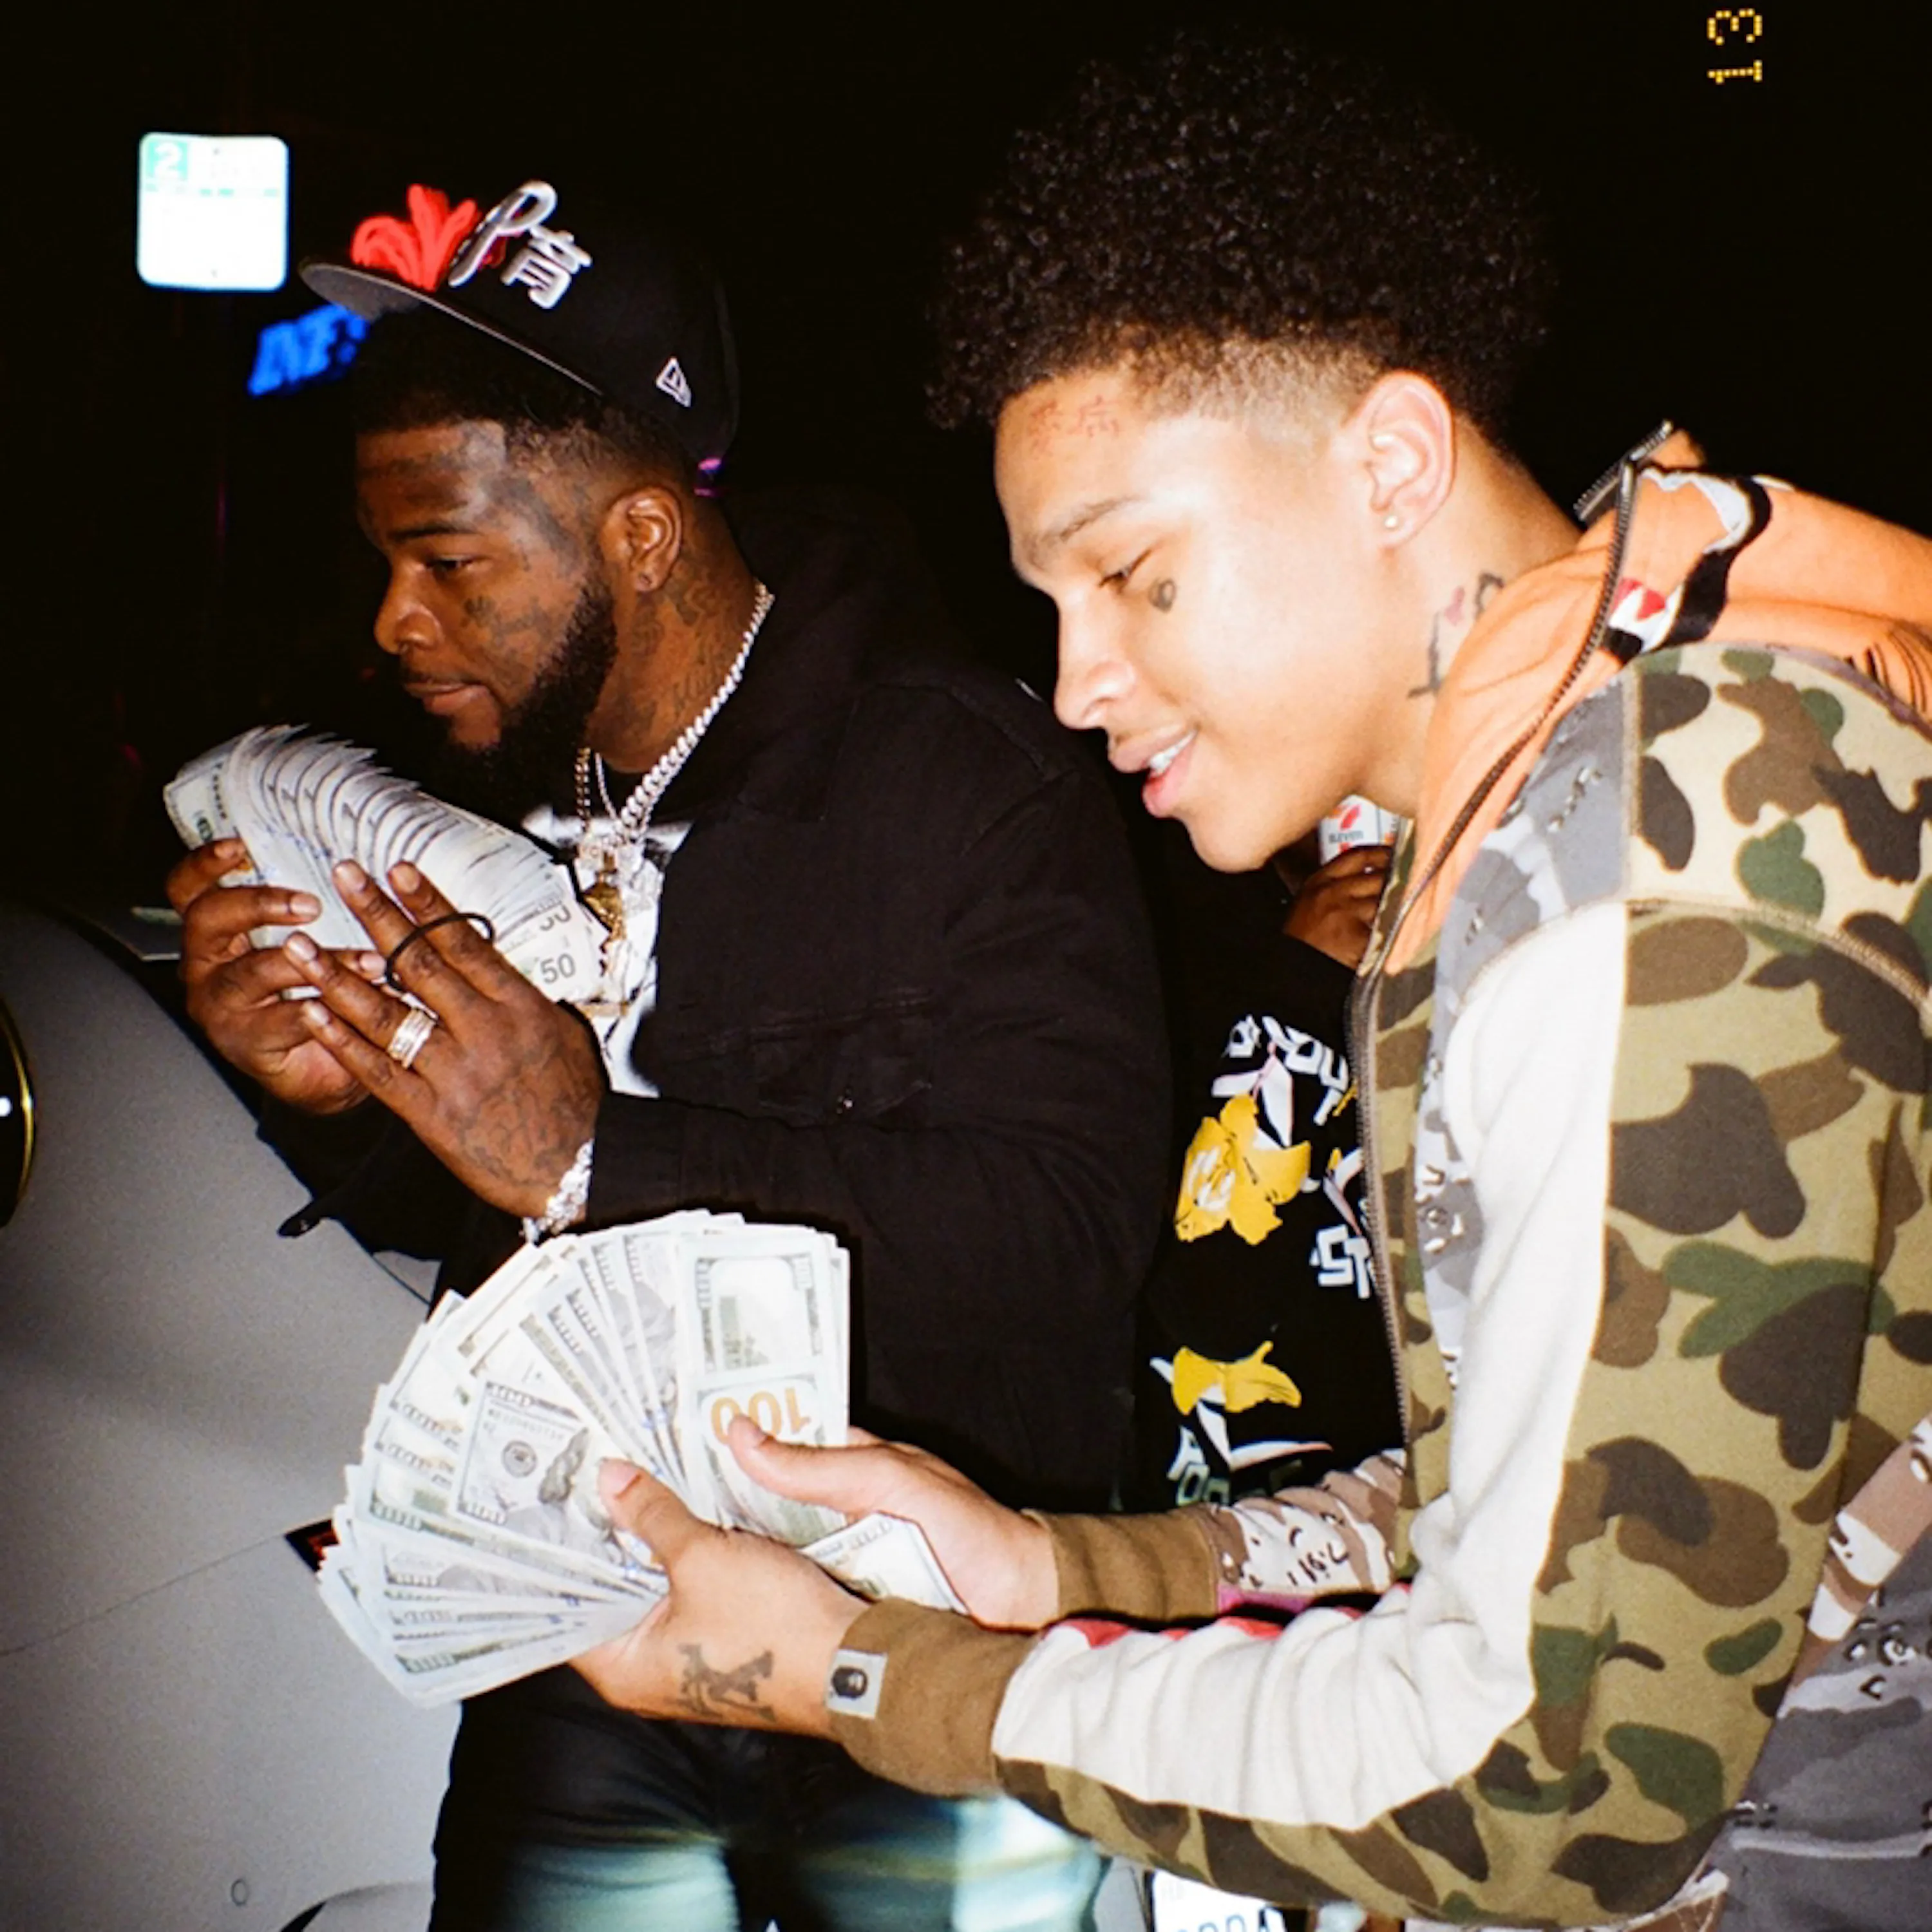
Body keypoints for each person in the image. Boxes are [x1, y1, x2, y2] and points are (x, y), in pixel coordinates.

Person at [567, 33, 1932, 1932]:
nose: (1075, 684)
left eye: (1134, 576)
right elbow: (1512, 1518)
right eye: (1054, 606)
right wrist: (1059, 1575)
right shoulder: (1587, 779)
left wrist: (860, 1675)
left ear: (1391, 463)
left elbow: (1552, 1780)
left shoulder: (1658, 851)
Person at [167, 173, 1170, 1930]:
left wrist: (596, 1154)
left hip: (918, 1644)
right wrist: (340, 1099)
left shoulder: (961, 778)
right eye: (385, 562)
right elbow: (502, 1224)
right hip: (592, 1630)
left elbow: (1068, 1235)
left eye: (447, 561)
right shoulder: (512, 796)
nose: (394, 620)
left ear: (637, 536)